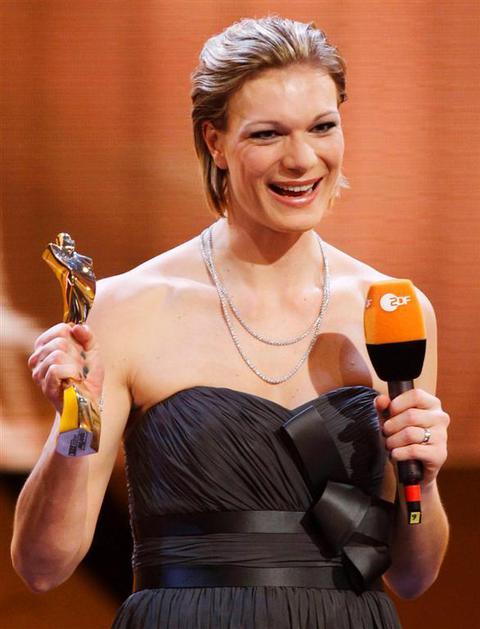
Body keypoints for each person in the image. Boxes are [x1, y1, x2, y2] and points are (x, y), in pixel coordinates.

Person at [12, 16, 450, 628]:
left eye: (322, 127)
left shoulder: (393, 309)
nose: (302, 159)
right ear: (214, 142)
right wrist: (72, 425)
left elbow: (412, 576)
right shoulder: (128, 306)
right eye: (268, 134)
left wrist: (425, 477)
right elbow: (43, 566)